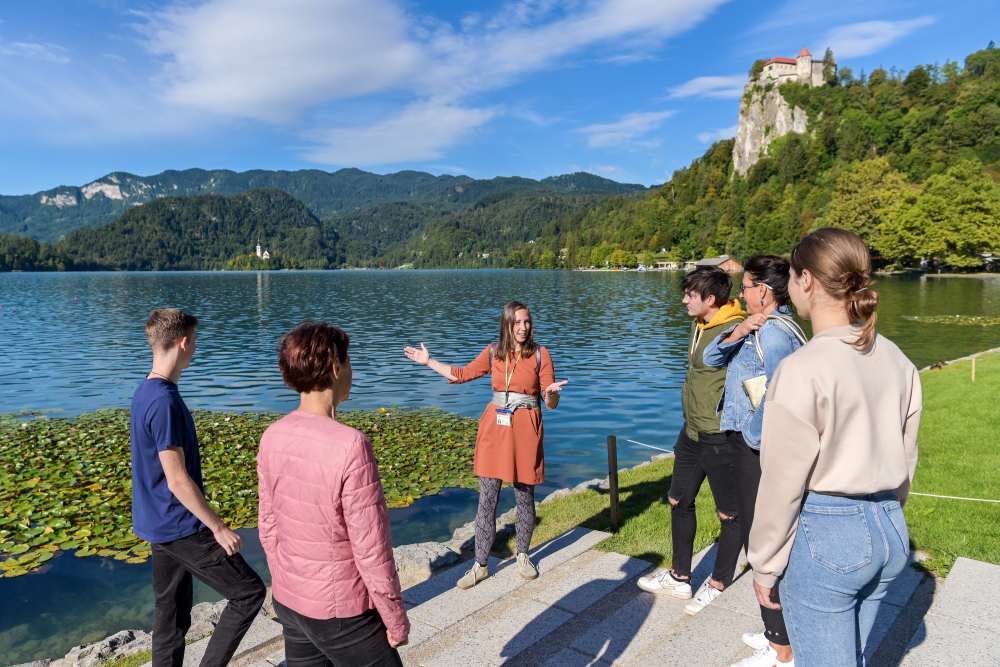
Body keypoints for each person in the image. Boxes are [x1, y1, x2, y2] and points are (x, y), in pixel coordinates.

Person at [749, 229, 922, 666]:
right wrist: (890, 511)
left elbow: (782, 481)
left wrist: (764, 564)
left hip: (830, 533)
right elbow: (907, 455)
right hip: (889, 523)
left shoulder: (802, 367)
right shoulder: (896, 358)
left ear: (806, 279)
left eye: (792, 277)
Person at [258, 322, 409, 666]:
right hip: (342, 611)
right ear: (336, 367)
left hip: (291, 601)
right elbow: (371, 548)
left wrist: (286, 584)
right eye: (349, 361)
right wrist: (394, 618)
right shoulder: (351, 445)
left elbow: (268, 528)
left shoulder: (272, 436)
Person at [130, 309, 266, 667]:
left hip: (157, 524)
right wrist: (217, 527)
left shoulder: (145, 391)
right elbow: (176, 479)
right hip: (181, 525)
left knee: (171, 617)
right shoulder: (164, 402)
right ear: (184, 342)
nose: (195, 348)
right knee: (248, 593)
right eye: (195, 341)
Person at [404, 301, 566, 589]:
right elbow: (461, 374)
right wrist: (429, 362)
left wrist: (552, 394)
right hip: (495, 430)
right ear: (507, 324)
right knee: (487, 499)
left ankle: (523, 555)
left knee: (524, 497)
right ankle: (480, 565)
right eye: (517, 322)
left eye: (527, 322)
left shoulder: (541, 354)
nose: (523, 327)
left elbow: (550, 401)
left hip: (525, 432)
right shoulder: (494, 352)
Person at [703, 256, 805, 667]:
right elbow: (711, 359)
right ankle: (776, 633)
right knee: (758, 538)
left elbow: (783, 393)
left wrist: (751, 435)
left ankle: (782, 649)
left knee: (761, 543)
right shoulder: (756, 328)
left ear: (763, 290)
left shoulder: (776, 334)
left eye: (745, 287)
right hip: (746, 442)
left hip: (756, 449)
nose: (741, 294)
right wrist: (741, 329)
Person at [637, 267, 746, 615]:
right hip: (691, 431)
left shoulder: (736, 330)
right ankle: (680, 577)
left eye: (690, 295)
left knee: (729, 513)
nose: (684, 299)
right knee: (678, 498)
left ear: (710, 299)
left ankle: (718, 583)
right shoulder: (700, 324)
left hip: (718, 434)